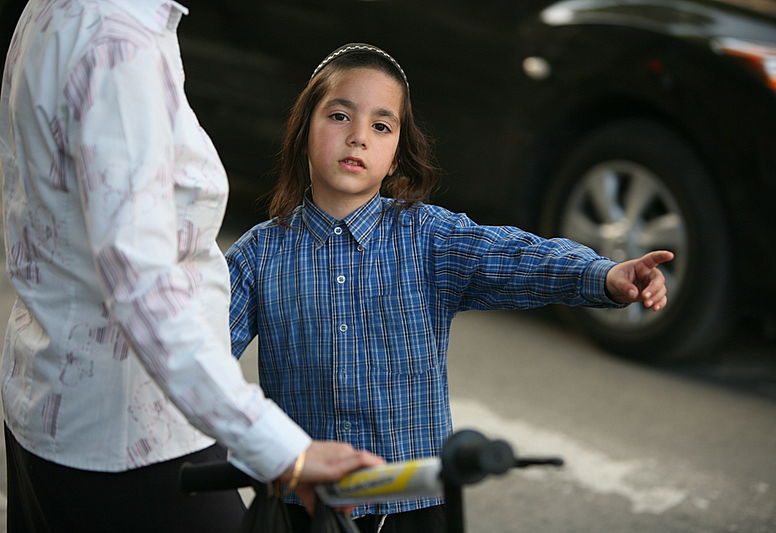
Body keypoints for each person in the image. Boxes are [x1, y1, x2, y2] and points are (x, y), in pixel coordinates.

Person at [225, 42, 674, 532]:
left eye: (381, 125)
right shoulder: (258, 256)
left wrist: (602, 275)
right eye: (339, 116)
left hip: (417, 505)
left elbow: (514, 255)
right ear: (304, 131)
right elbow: (197, 357)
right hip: (304, 507)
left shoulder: (429, 238)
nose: (358, 137)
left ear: (396, 155)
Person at [0, 3, 383, 532]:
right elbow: (141, 281)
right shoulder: (117, 42)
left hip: (60, 407)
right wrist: (278, 449)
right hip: (130, 437)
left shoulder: (85, 14)